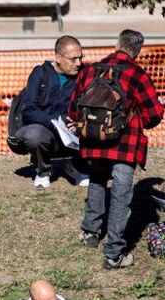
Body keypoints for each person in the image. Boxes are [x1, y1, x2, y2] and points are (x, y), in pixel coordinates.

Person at [69, 29, 164, 269]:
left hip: (93, 140)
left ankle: (90, 233)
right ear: (137, 50)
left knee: (97, 182)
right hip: (124, 144)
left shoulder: (90, 70)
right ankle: (114, 254)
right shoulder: (138, 75)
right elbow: (154, 115)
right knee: (121, 196)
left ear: (117, 44)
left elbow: (73, 109)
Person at [15, 35, 90, 189]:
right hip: (47, 131)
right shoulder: (39, 74)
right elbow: (29, 111)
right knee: (34, 135)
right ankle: (43, 171)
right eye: (73, 59)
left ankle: (77, 167)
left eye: (80, 58)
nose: (78, 63)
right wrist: (57, 122)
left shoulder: (85, 74)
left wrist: (78, 121)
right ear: (58, 57)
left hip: (74, 132)